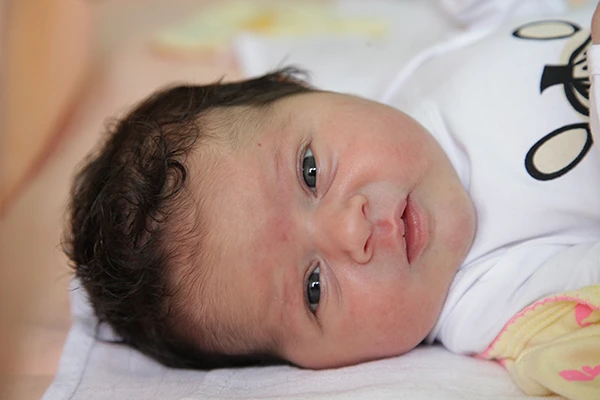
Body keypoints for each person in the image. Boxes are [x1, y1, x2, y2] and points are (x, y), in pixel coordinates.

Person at [64, 1, 600, 398]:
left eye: (310, 171)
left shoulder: (422, 78)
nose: (351, 231)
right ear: (311, 367)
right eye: (313, 289)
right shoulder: (505, 306)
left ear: (302, 88)